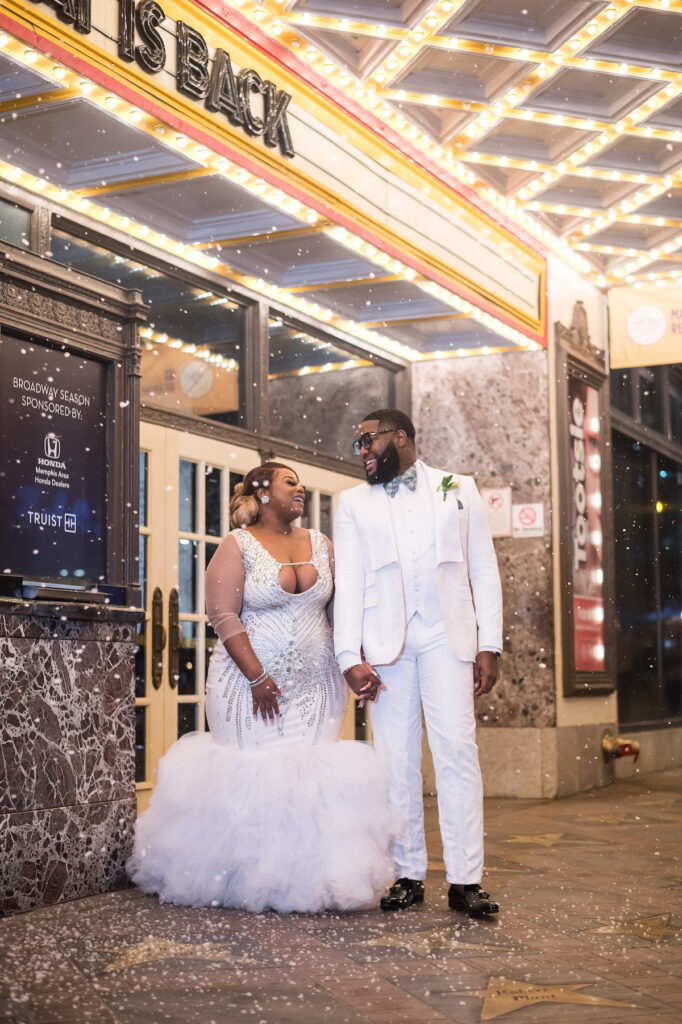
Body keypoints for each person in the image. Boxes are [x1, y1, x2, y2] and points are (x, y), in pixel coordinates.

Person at [128, 462, 397, 913]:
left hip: (316, 684)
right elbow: (222, 615)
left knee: (312, 777)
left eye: (301, 484)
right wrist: (256, 676)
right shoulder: (237, 545)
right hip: (245, 683)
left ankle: (311, 881)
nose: (301, 490)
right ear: (263, 492)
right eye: (291, 483)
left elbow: (336, 614)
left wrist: (353, 664)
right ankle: (245, 880)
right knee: (253, 774)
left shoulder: (321, 544)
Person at [333, 410, 503, 916]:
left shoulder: (459, 487)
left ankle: (465, 880)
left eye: (368, 439)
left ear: (399, 436)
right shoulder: (351, 503)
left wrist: (488, 643)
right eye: (357, 442)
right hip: (385, 646)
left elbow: (483, 569)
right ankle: (408, 873)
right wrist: (348, 655)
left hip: (447, 638)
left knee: (457, 754)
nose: (361, 449)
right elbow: (352, 585)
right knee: (396, 761)